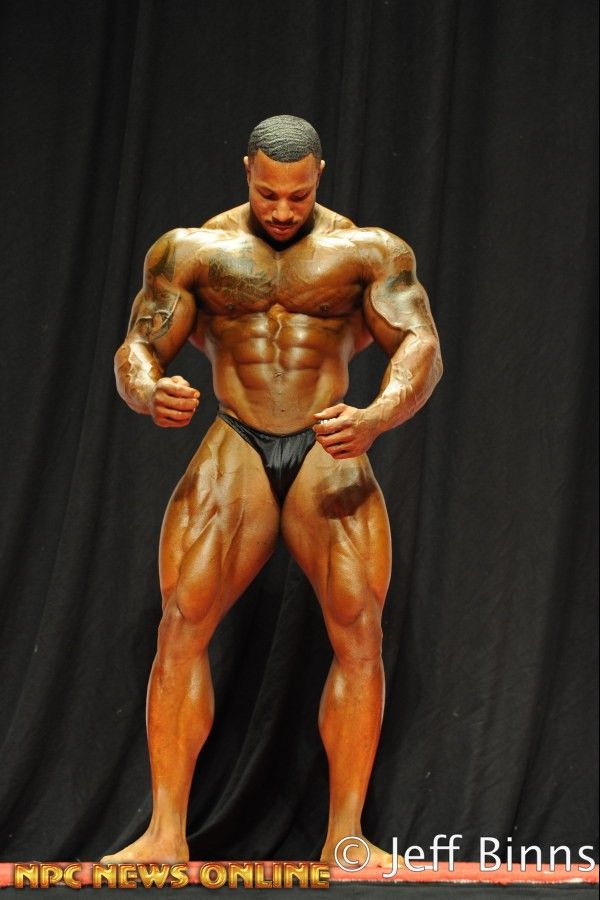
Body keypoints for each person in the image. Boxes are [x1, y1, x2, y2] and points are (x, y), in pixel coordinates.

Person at [103, 114, 442, 867]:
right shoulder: (193, 251)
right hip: (238, 438)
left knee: (359, 630)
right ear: (247, 172)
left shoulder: (368, 252)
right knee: (181, 623)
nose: (283, 210)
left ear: (319, 174)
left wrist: (377, 416)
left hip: (329, 440)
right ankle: (164, 834)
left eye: (297, 195)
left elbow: (420, 344)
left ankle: (345, 837)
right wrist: (147, 391)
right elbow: (138, 346)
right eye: (267, 194)